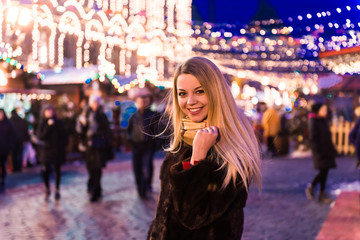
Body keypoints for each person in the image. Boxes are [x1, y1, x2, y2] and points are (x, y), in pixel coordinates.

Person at [147, 57, 262, 239]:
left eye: (199, 91)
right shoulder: (182, 142)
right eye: (182, 94)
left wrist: (198, 159)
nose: (190, 101)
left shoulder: (230, 152)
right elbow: (164, 215)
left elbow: (193, 217)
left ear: (215, 93)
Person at [76, 95, 112, 202]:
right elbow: (80, 132)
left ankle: (95, 191)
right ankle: (93, 186)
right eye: (94, 102)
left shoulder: (102, 115)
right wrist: (82, 125)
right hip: (88, 146)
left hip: (100, 146)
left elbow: (107, 131)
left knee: (98, 168)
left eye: (97, 102)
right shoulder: (85, 114)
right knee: (91, 168)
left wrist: (108, 144)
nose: (95, 104)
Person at [127, 87, 161, 199]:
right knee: (137, 168)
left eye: (145, 100)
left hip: (148, 146)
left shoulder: (153, 115)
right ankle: (140, 188)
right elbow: (129, 130)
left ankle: (147, 186)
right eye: (140, 100)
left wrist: (155, 144)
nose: (142, 102)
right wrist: (130, 140)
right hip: (136, 146)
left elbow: (158, 131)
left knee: (147, 167)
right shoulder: (134, 116)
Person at [305, 103, 337, 204]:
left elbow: (327, 136)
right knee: (323, 172)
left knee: (325, 172)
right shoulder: (313, 121)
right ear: (318, 110)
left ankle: (320, 193)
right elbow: (313, 138)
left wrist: (332, 149)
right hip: (320, 151)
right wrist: (317, 151)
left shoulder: (323, 120)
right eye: (323, 109)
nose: (325, 111)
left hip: (326, 150)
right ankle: (314, 188)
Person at [37, 104, 68, 200]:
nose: (49, 113)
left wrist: (62, 145)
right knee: (45, 170)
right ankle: (47, 188)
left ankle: (57, 189)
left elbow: (64, 134)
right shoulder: (42, 123)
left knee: (57, 171)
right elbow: (41, 136)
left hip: (57, 150)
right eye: (47, 111)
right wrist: (48, 127)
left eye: (50, 111)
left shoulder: (58, 122)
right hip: (47, 150)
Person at [0, 108, 17, 188]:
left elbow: (13, 135)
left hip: (4, 149)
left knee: (3, 164)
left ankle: (3, 179)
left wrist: (10, 145)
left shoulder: (8, 124)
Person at [10, 108, 30, 172]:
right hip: (21, 140)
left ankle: (15, 167)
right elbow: (26, 130)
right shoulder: (21, 120)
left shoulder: (10, 121)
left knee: (14, 154)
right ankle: (19, 167)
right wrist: (26, 138)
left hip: (13, 140)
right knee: (19, 153)